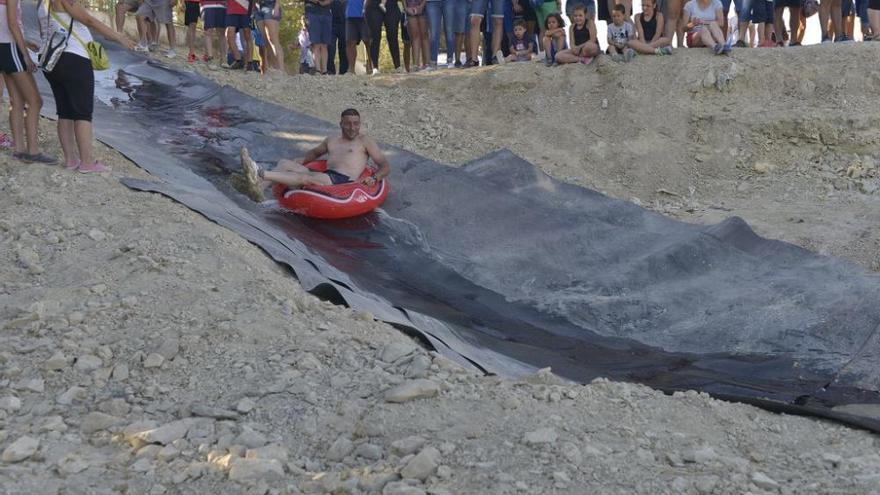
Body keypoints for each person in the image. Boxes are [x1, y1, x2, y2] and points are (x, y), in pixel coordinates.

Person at [38, 0, 135, 172]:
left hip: (52, 61)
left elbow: (44, 32)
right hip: (74, 57)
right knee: (83, 114)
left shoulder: (41, 4)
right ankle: (87, 162)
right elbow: (88, 20)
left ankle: (70, 160)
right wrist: (118, 36)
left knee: (64, 112)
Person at [239, 108, 392, 202]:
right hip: (326, 175)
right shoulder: (332, 140)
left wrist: (375, 178)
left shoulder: (365, 141)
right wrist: (303, 160)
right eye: (348, 124)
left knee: (306, 179)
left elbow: (384, 165)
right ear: (341, 124)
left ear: (359, 124)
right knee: (285, 163)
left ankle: (259, 172)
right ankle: (257, 190)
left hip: (342, 180)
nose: (352, 128)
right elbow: (315, 153)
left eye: (356, 123)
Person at [3, 0, 55, 163]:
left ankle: (19, 150)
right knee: (35, 101)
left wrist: (23, 43)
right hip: (10, 48)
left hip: (5, 47)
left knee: (17, 101)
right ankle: (32, 151)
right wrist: (24, 55)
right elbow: (12, 23)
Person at [366, 0, 403, 72]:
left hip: (392, 6)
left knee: (393, 35)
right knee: (375, 37)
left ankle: (398, 66)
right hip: (373, 6)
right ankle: (375, 68)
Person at [254, 0, 284, 71]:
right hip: (258, 8)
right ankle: (275, 66)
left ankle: (281, 69)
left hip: (271, 5)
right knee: (265, 41)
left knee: (273, 39)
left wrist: (276, 6)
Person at [225, 0, 253, 69]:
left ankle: (249, 62)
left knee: (247, 36)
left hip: (245, 9)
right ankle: (238, 60)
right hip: (231, 9)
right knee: (229, 36)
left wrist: (251, 10)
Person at [345, 0, 370, 72]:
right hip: (350, 15)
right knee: (350, 42)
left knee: (368, 41)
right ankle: (351, 69)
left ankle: (372, 66)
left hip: (365, 14)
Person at [405, 0, 428, 69]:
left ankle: (427, 63)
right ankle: (416, 64)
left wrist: (422, 6)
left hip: (422, 7)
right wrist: (406, 8)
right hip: (409, 7)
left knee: (424, 36)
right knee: (415, 36)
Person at [328, 0, 347, 74]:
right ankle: (330, 70)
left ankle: (344, 71)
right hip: (332, 23)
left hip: (344, 23)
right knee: (330, 47)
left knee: (344, 47)